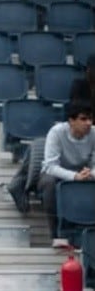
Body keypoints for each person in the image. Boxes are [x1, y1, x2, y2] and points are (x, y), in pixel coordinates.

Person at [37, 101, 95, 248]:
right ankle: (57, 235)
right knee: (49, 183)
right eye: (83, 119)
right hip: (57, 174)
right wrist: (74, 176)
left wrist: (91, 173)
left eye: (90, 119)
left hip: (84, 173)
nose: (88, 123)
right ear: (71, 121)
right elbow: (50, 166)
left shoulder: (94, 133)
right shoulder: (56, 132)